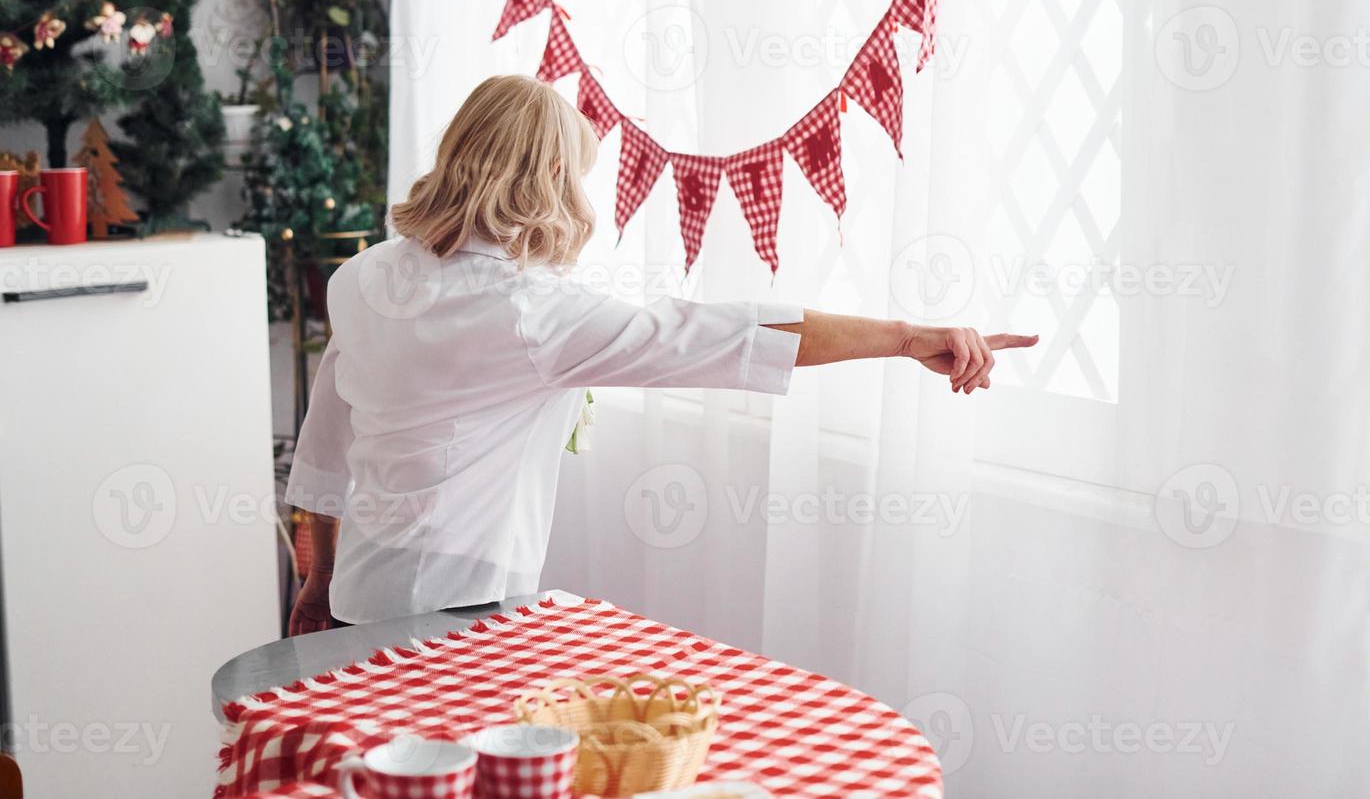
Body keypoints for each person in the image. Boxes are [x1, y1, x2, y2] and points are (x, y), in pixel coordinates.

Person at [285, 75, 1038, 634]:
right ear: (547, 178)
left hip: (359, 593)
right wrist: (906, 338)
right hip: (456, 614)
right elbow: (717, 333)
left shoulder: (364, 278)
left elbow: (327, 437)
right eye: (572, 172)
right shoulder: (527, 315)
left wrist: (317, 580)